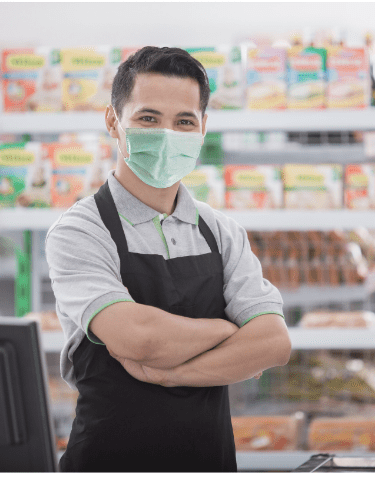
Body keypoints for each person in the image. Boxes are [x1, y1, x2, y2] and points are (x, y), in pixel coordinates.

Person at [45, 46, 291, 473]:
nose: (166, 135)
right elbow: (138, 338)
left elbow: (274, 343)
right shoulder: (80, 230)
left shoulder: (221, 232)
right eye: (148, 118)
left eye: (183, 122)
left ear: (202, 129)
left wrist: (168, 373)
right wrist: (227, 329)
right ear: (113, 121)